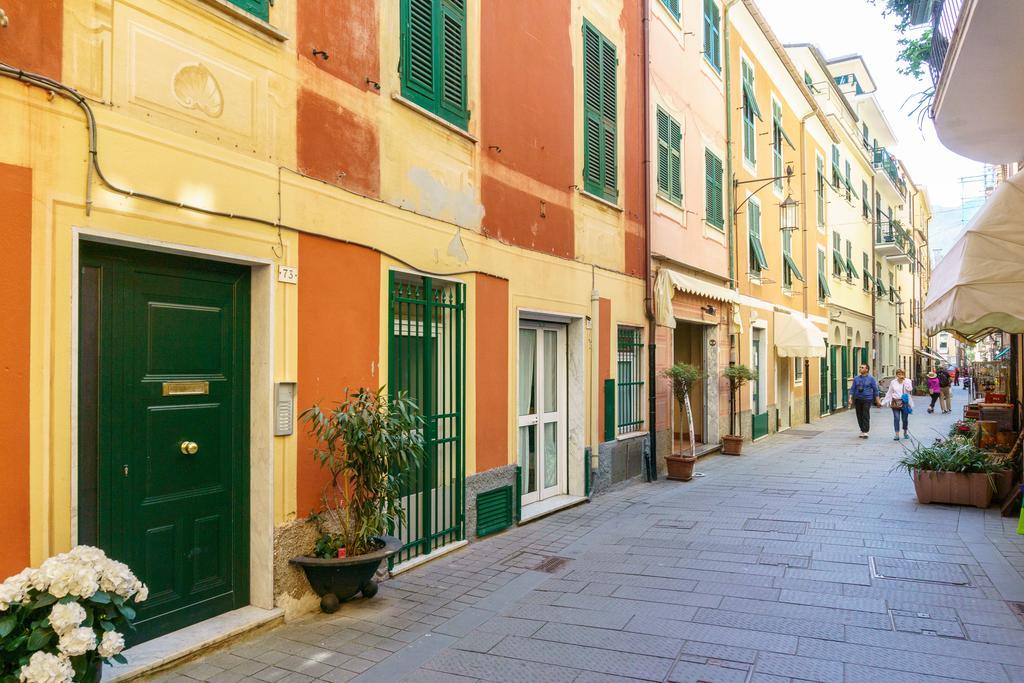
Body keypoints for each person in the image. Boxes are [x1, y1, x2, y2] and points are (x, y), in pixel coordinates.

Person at [848, 364, 881, 438]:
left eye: (862, 367)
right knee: (859, 415)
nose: (860, 369)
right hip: (858, 399)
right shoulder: (856, 378)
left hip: (867, 399)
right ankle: (862, 430)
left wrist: (878, 401)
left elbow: (876, 390)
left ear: (867, 369)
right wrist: (850, 398)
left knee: (865, 414)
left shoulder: (871, 379)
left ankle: (865, 431)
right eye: (860, 367)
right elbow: (852, 389)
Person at [883, 369, 914, 440]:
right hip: (895, 402)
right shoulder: (893, 382)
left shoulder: (908, 381)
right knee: (896, 418)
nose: (900, 375)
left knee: (904, 419)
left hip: (905, 402)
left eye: (902, 374)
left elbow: (910, 389)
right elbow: (889, 392)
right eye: (899, 374)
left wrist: (904, 381)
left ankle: (905, 432)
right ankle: (897, 434)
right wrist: (884, 402)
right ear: (896, 375)